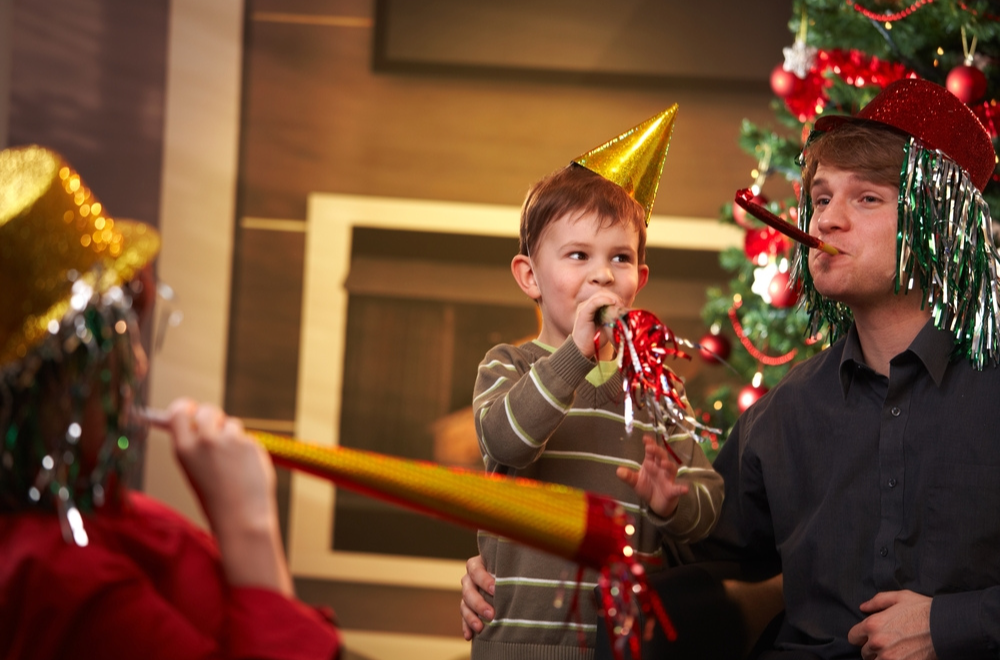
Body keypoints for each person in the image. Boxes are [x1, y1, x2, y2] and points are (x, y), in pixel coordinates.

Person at [469, 78, 1000, 660]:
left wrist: (951, 624)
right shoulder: (785, 415)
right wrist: (503, 565)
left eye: (866, 198)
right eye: (821, 199)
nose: (825, 222)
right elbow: (677, 540)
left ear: (938, 224)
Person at [0, 145, 341, 660]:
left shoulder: (112, 516)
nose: (138, 366)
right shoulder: (55, 573)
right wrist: (249, 526)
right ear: (45, 385)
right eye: (109, 347)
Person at [469, 108, 724, 660]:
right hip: (518, 645)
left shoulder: (658, 389)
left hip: (626, 648)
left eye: (621, 258)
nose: (602, 274)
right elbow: (506, 441)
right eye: (578, 255)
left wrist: (670, 503)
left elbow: (709, 504)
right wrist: (575, 355)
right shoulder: (507, 365)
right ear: (530, 276)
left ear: (640, 280)